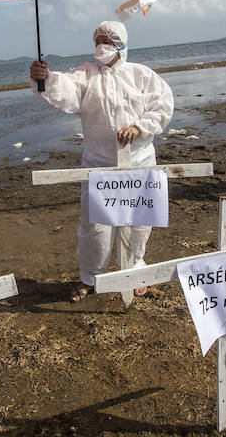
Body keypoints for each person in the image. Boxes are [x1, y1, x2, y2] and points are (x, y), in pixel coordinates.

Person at [29, 21, 174, 302]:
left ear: (121, 43)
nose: (101, 45)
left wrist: (140, 127)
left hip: (139, 161)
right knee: (96, 225)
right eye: (98, 40)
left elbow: (163, 105)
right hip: (99, 162)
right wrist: (44, 78)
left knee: (139, 220)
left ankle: (134, 269)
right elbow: (67, 90)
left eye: (107, 40)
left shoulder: (141, 75)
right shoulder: (86, 74)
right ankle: (90, 277)